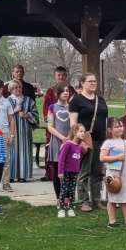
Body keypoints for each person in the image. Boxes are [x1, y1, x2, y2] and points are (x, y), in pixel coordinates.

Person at [68, 72, 109, 211]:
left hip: (100, 139)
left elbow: (105, 119)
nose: (93, 83)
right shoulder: (76, 101)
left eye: (94, 81)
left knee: (97, 171)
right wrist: (79, 141)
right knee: (84, 171)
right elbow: (73, 123)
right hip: (85, 140)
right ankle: (83, 201)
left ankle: (96, 200)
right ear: (82, 83)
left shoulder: (100, 100)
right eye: (90, 81)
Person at [101, 117, 126, 228]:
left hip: (125, 175)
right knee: (112, 198)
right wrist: (117, 157)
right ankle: (112, 221)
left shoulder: (125, 142)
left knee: (125, 197)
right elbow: (102, 158)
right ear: (110, 130)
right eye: (116, 127)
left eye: (121, 126)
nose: (120, 128)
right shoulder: (108, 143)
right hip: (113, 175)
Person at [42, 67, 76, 182]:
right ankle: (50, 173)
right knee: (53, 153)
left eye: (63, 75)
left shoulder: (71, 90)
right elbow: (46, 107)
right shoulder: (50, 91)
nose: (61, 77)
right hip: (55, 128)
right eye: (58, 75)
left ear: (66, 76)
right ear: (54, 76)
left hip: (69, 131)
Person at [7, 79, 39, 182]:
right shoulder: (7, 101)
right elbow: (1, 116)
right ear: (11, 89)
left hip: (25, 131)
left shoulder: (28, 100)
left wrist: (26, 115)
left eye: (20, 87)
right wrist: (13, 111)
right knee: (11, 153)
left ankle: (22, 175)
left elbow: (36, 114)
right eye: (15, 87)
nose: (18, 89)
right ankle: (10, 176)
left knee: (24, 152)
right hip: (11, 131)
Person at [45, 83, 72, 200]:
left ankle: (67, 197)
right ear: (57, 93)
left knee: (69, 170)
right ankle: (59, 197)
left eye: (67, 90)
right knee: (58, 170)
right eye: (63, 91)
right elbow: (50, 126)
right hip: (57, 142)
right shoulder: (52, 108)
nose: (66, 93)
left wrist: (69, 138)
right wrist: (62, 137)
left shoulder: (72, 107)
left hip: (70, 142)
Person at [57, 124, 85, 217]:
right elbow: (61, 158)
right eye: (81, 131)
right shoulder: (68, 144)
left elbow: (77, 158)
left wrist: (83, 151)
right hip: (65, 172)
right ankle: (61, 208)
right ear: (74, 132)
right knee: (64, 190)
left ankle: (71, 208)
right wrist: (60, 171)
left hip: (74, 172)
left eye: (84, 131)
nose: (83, 133)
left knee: (72, 191)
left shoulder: (78, 146)